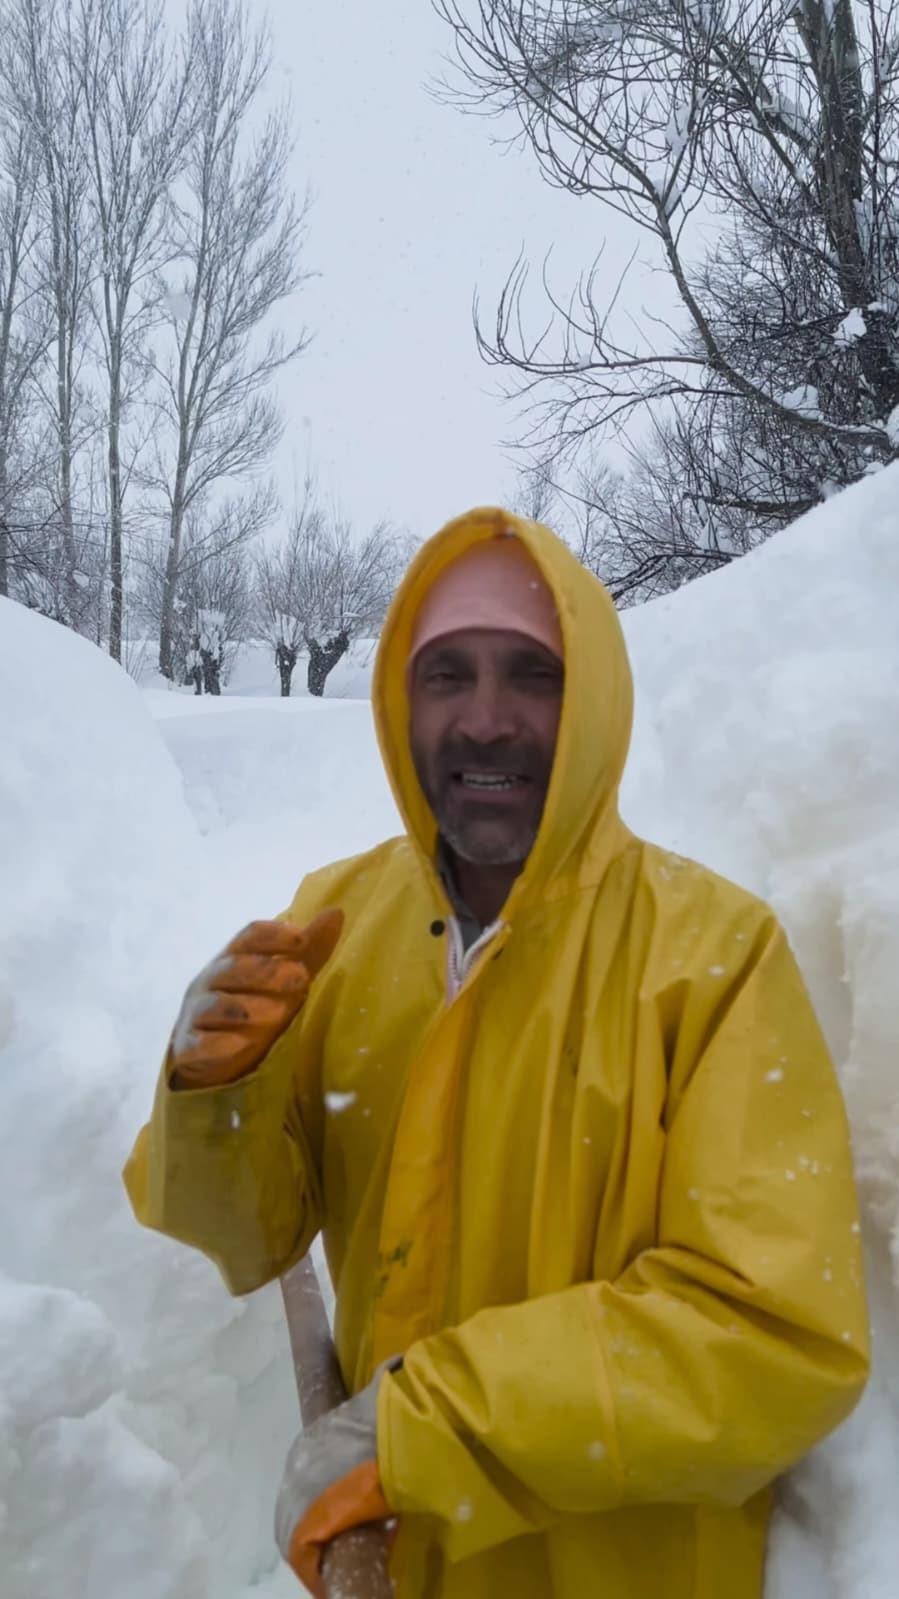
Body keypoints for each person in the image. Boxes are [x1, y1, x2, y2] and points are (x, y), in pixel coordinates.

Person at [124, 506, 869, 1599]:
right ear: (398, 703)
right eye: (446, 676)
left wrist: (428, 1426)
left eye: (531, 673)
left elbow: (772, 1336)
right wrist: (214, 1092)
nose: (485, 720)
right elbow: (253, 1236)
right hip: (398, 1559)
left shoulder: (708, 953)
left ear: (592, 701)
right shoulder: (337, 921)